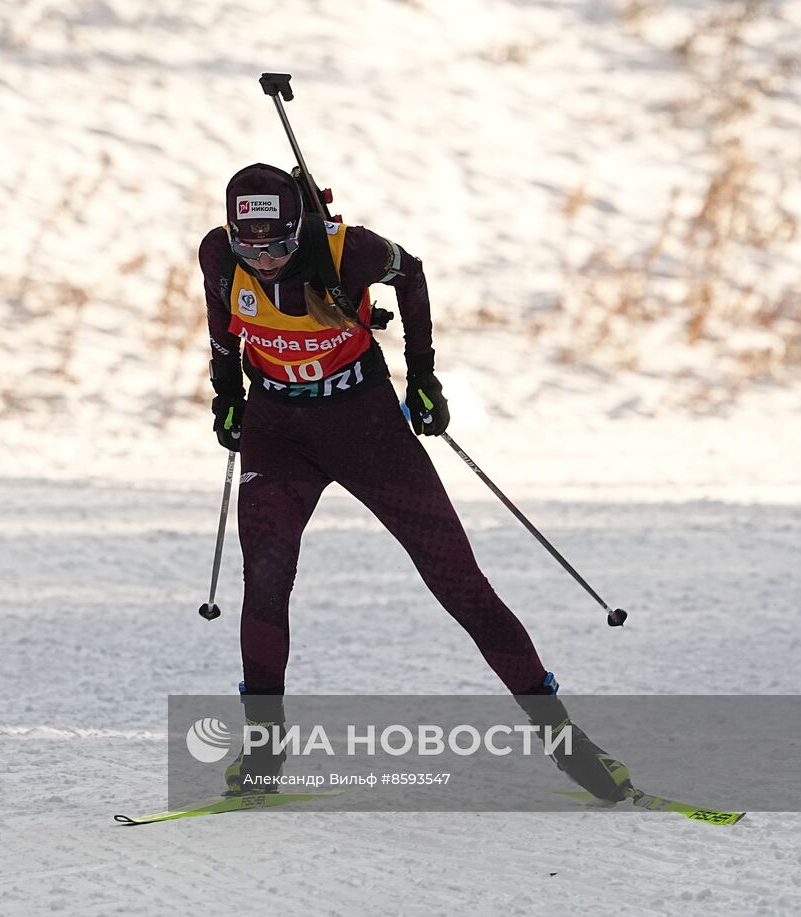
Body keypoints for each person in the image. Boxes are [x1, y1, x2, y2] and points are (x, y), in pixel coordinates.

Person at [199, 163, 631, 803]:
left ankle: (568, 745)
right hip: (278, 432)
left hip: (365, 426)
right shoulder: (217, 254)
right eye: (249, 244)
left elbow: (414, 272)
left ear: (300, 228)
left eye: (279, 244)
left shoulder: (350, 251)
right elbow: (221, 323)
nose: (263, 260)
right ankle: (264, 752)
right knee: (264, 579)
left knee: (458, 579)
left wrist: (423, 375)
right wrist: (227, 393)